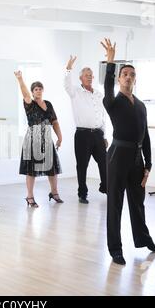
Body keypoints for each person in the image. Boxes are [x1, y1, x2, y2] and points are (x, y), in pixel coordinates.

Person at [101, 38, 155, 265]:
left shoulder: (142, 105)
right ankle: (115, 249)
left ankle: (143, 239)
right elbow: (106, 88)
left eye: (132, 74)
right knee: (115, 203)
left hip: (136, 159)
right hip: (117, 157)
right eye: (124, 74)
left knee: (137, 202)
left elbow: (145, 136)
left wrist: (148, 165)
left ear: (135, 79)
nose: (128, 77)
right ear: (119, 79)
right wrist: (110, 62)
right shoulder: (112, 102)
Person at [14, 71, 63, 207]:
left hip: (47, 137)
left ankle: (54, 192)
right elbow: (24, 93)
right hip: (33, 137)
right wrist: (20, 79)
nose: (38, 91)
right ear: (32, 92)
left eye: (40, 89)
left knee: (52, 167)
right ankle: (30, 196)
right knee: (31, 169)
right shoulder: (29, 103)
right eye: (36, 89)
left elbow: (55, 122)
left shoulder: (48, 104)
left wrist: (60, 137)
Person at [64, 55, 108, 204]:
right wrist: (68, 69)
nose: (89, 77)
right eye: (86, 76)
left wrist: (104, 135)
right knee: (82, 165)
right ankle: (82, 193)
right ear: (81, 78)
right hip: (82, 135)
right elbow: (66, 84)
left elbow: (102, 116)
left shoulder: (98, 94)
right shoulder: (75, 91)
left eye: (91, 75)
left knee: (105, 162)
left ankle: (105, 187)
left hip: (98, 134)